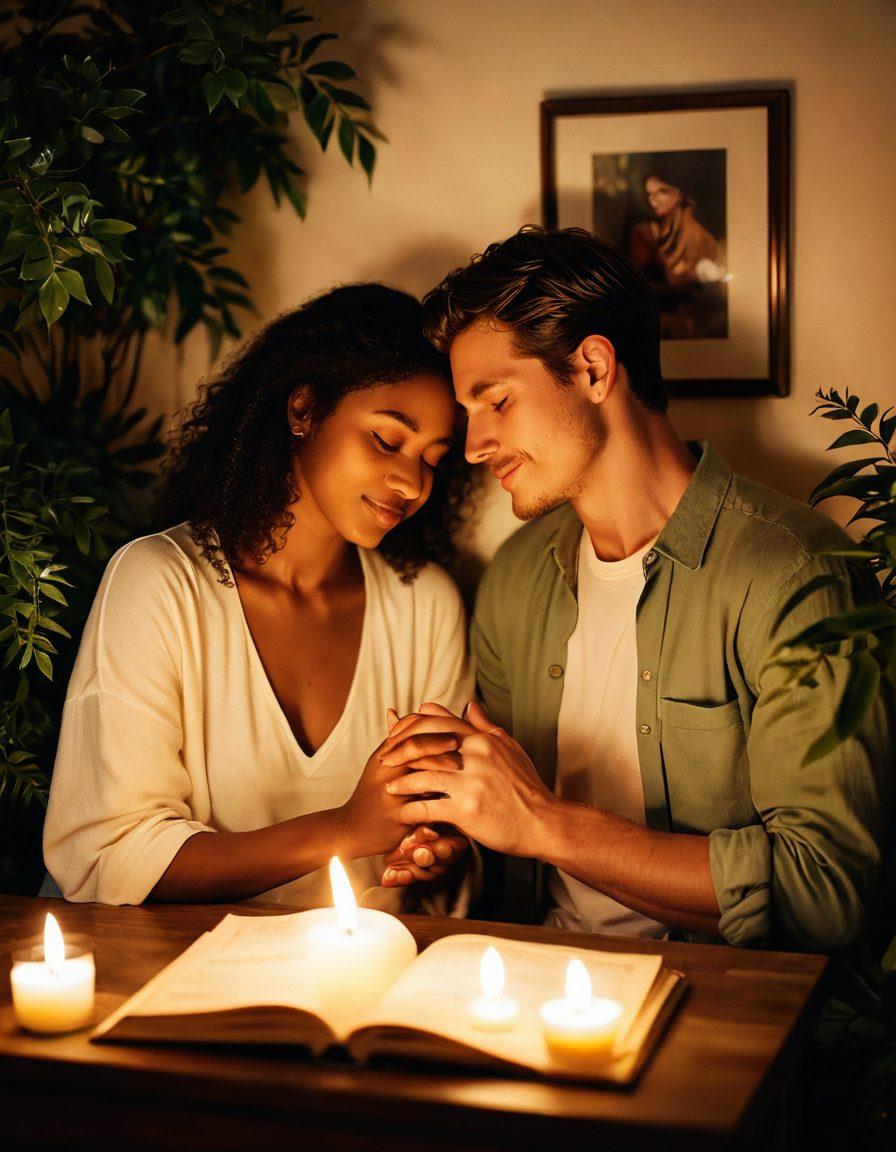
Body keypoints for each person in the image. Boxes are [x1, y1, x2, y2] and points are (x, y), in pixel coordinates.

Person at [378, 226, 892, 951]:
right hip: (524, 974)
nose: (474, 445)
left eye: (496, 401)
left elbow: (823, 892)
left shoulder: (792, 571)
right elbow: (515, 839)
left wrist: (543, 824)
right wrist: (460, 834)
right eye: (469, 415)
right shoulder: (515, 580)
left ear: (593, 369)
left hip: (709, 994)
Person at [43, 284, 474, 910]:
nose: (411, 482)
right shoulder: (160, 584)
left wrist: (434, 850)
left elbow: (444, 830)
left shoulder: (425, 606)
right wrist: (345, 829)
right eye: (387, 439)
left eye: (432, 459)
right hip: (175, 962)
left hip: (368, 964)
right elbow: (109, 857)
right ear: (304, 409)